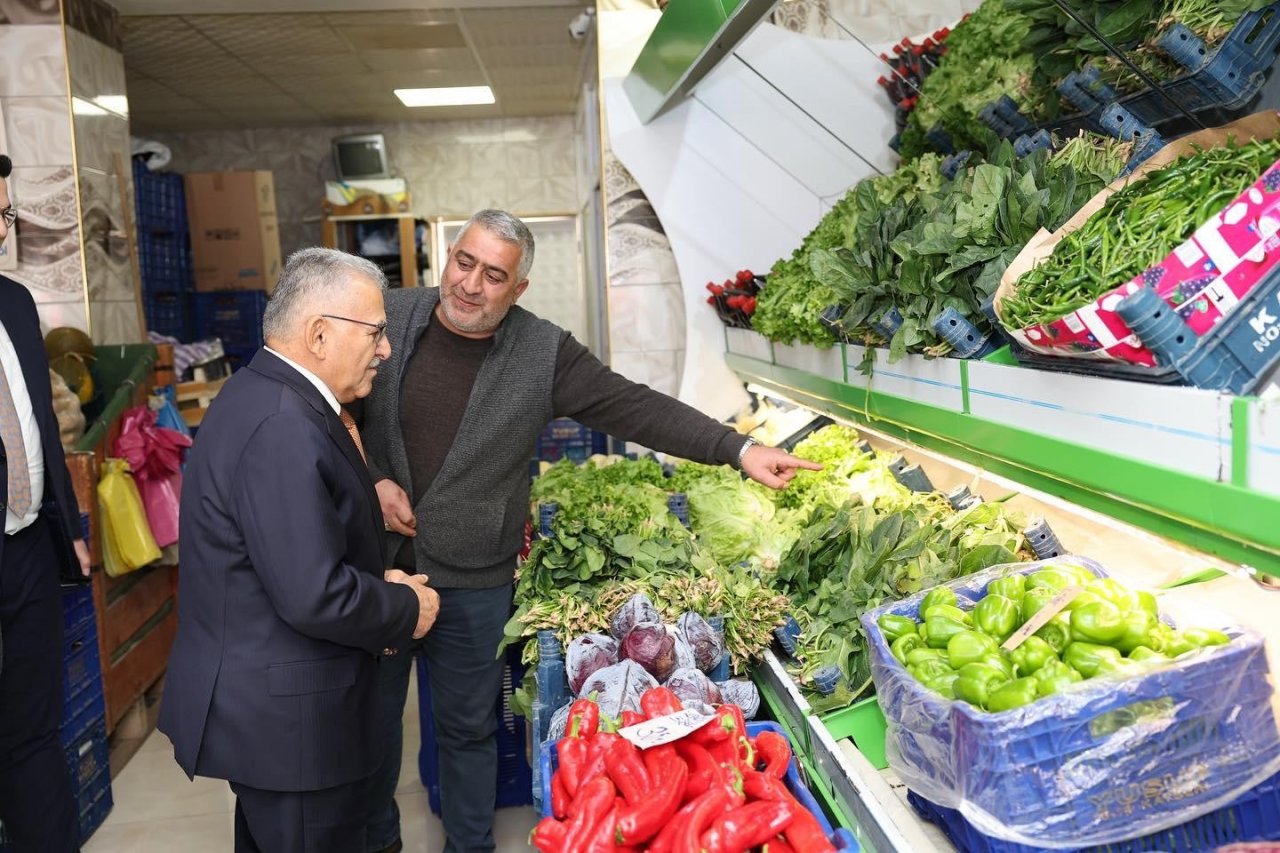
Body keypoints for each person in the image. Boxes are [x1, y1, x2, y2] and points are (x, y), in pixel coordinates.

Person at [359, 209, 819, 853]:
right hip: (373, 568)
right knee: (368, 727)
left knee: (466, 730)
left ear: (517, 290)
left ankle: (469, 847)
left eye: (494, 276)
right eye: (464, 263)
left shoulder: (542, 353)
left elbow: (634, 406)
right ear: (448, 256)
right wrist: (374, 477)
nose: (471, 285)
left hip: (472, 578)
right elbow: (333, 406)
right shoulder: (389, 315)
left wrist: (735, 449)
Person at [157, 248, 442, 853]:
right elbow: (313, 595)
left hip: (277, 714)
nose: (385, 349)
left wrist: (373, 575)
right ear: (318, 333)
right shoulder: (284, 422)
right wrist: (400, 606)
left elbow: (286, 555)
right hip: (293, 728)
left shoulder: (263, 392)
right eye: (376, 332)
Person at [0, 153, 92, 853]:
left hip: (29, 546)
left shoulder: (15, 302)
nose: (3, 231)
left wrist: (71, 527)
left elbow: (41, 426)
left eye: (5, 215)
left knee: (33, 726)